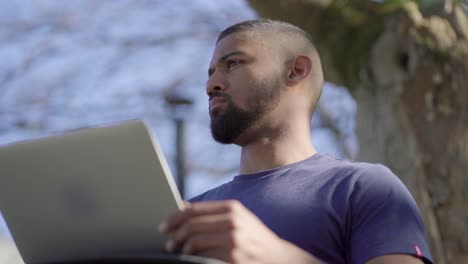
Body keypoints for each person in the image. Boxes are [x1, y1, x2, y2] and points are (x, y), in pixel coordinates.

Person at [159, 19, 433, 264]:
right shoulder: (187, 214)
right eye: (210, 73)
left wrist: (280, 258)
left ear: (296, 70)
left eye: (233, 64)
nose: (212, 85)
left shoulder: (365, 188)